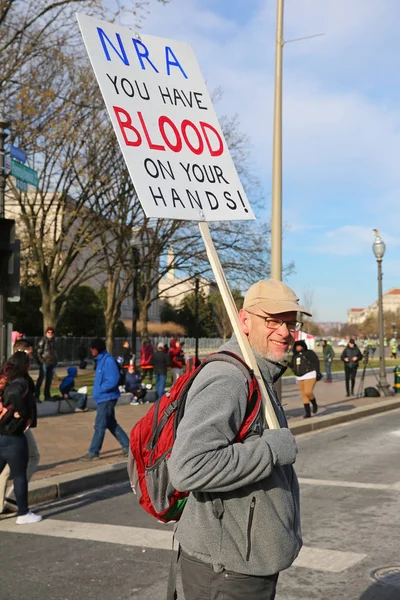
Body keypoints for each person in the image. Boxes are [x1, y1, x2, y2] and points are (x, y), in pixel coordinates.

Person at [168, 278, 311, 600]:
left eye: (291, 323)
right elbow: (190, 467)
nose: (285, 332)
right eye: (273, 321)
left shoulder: (258, 372)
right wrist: (272, 449)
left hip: (243, 560)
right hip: (227, 569)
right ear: (244, 320)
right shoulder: (229, 378)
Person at [0, 351, 42, 524]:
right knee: (19, 474)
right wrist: (21, 412)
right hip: (13, 434)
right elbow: (18, 398)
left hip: (2, 432)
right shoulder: (20, 383)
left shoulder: (5, 379)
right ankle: (23, 513)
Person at [81, 338, 129, 461]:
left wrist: (101, 389)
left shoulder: (108, 361)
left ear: (98, 349)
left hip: (107, 397)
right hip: (103, 397)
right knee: (110, 423)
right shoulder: (100, 360)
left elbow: (113, 380)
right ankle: (128, 446)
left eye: (93, 348)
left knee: (99, 425)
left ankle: (94, 451)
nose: (91, 350)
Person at [287, 340, 319, 418]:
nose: (298, 348)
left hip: (310, 375)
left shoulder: (309, 353)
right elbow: (293, 366)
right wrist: (287, 363)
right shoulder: (295, 356)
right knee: (304, 395)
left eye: (300, 346)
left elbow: (316, 362)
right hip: (300, 377)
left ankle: (314, 404)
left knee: (308, 392)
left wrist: (318, 373)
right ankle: (308, 413)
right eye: (297, 346)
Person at [34, 327, 57, 401]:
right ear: (46, 333)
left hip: (52, 362)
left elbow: (54, 352)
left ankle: (47, 395)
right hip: (45, 362)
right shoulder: (43, 340)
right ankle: (36, 396)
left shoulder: (53, 341)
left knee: (49, 380)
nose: (50, 334)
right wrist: (41, 361)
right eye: (49, 332)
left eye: (51, 332)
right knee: (41, 379)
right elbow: (38, 352)